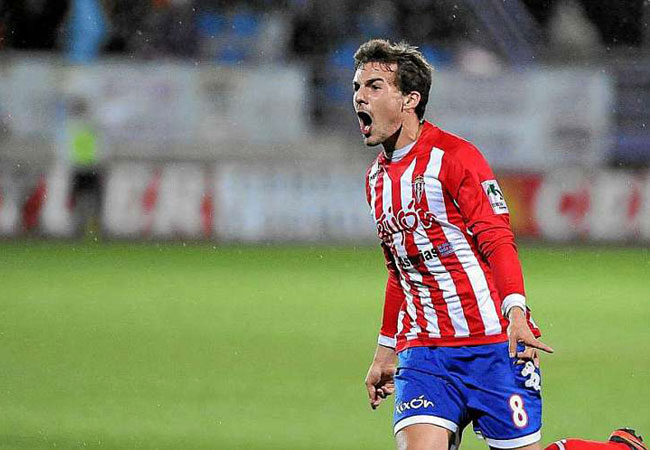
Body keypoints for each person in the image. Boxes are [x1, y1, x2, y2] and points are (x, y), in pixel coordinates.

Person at [353, 39, 645, 450]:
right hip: (425, 352)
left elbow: (497, 239)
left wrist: (516, 312)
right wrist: (385, 350)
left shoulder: (455, 158)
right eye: (357, 87)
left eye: (374, 86)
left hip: (492, 343)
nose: (360, 96)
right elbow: (399, 271)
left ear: (409, 100)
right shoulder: (376, 180)